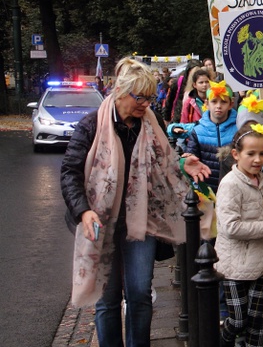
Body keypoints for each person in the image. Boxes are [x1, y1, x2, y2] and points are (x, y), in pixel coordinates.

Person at [60, 57, 210, 347]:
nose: (145, 104)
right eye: (139, 97)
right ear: (121, 91)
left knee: (140, 293)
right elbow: (70, 171)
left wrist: (183, 163)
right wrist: (84, 211)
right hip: (101, 221)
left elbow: (163, 162)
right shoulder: (91, 125)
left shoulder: (151, 123)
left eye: (150, 97)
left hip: (142, 222)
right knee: (107, 298)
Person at [216, 123, 263, 347]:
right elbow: (232, 227)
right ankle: (220, 341)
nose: (257, 159)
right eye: (251, 154)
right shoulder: (230, 184)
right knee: (239, 320)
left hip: (261, 260)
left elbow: (257, 219)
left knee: (257, 320)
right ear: (236, 155)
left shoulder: (260, 181)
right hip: (236, 265)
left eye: (262, 153)